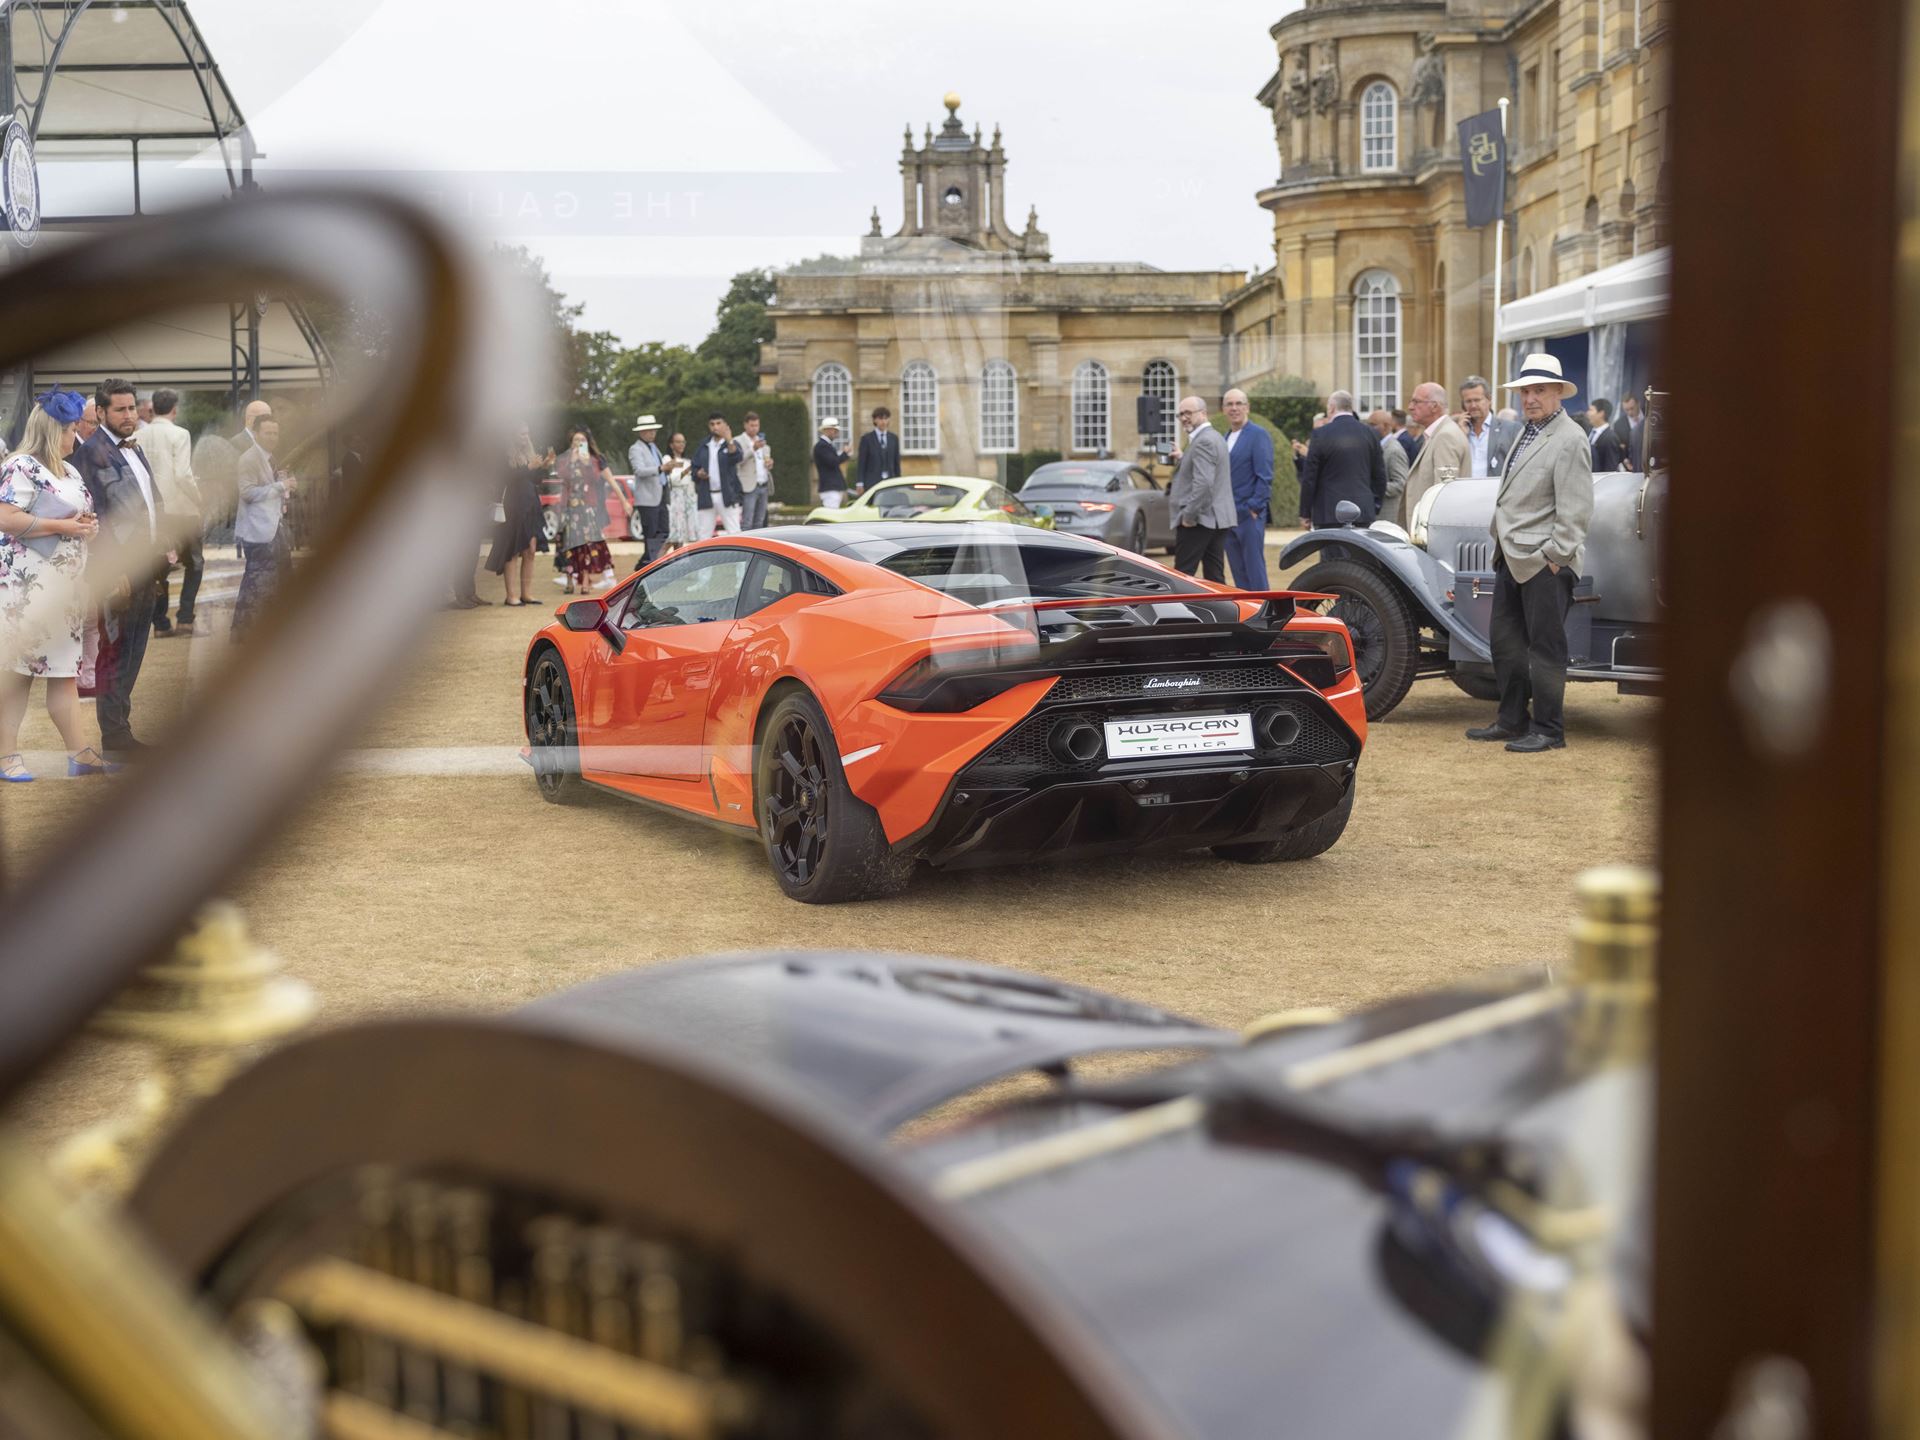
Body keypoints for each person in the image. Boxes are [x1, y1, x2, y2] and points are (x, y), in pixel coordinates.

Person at [1465, 353, 1595, 754]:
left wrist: (1554, 556)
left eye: (1539, 390)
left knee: (1545, 648)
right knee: (1505, 643)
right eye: (1525, 390)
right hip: (1511, 555)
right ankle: (1511, 720)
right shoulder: (1531, 431)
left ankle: (1550, 730)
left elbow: (1577, 508)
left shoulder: (1570, 438)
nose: (1531, 397)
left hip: (1543, 562)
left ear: (1559, 392)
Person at [0, 389, 110, 780]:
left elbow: (77, 518)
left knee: (63, 671)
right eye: (71, 429)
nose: (76, 436)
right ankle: (6, 754)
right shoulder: (20, 467)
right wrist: (64, 526)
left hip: (65, 591)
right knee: (17, 673)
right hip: (25, 591)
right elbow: (6, 517)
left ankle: (79, 752)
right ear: (54, 430)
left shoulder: (71, 471)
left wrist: (86, 530)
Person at [72, 378, 161, 762]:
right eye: (121, 410)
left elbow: (146, 500)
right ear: (102, 412)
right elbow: (92, 518)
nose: (129, 415)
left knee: (134, 650)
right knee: (115, 651)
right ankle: (114, 735)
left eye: (132, 408)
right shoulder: (90, 455)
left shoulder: (133, 448)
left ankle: (121, 728)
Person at [144, 389, 204, 638]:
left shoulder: (138, 434)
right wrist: (199, 499)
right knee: (195, 563)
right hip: (181, 510)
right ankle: (185, 619)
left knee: (159, 567)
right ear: (174, 409)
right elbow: (182, 474)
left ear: (152, 409)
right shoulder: (180, 434)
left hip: (153, 511)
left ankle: (160, 623)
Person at [230, 418, 293, 640]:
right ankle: (245, 633)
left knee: (276, 579)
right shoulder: (248, 458)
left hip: (274, 528)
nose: (273, 437)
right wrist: (279, 486)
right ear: (255, 434)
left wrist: (282, 486)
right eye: (268, 433)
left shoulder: (269, 458)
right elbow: (247, 493)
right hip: (258, 531)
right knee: (256, 582)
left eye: (276, 433)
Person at [1166, 396, 1234, 581]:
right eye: (1180, 414)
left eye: (1188, 412)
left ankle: (1179, 611)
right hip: (1215, 519)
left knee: (1181, 576)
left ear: (1203, 413)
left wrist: (1189, 515)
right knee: (1214, 577)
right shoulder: (1214, 437)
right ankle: (1220, 610)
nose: (1184, 418)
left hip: (1199, 520)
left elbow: (1203, 484)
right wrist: (1183, 457)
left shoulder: (1203, 441)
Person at [1297, 390, 1385, 530]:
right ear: (1351, 407)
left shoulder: (1321, 434)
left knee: (1333, 552)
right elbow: (1380, 476)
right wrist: (1375, 505)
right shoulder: (1371, 433)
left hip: (1329, 511)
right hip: (1363, 510)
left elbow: (1310, 477)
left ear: (1331, 408)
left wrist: (1305, 513)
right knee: (1360, 552)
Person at [1221, 389, 1272, 590]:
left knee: (1255, 571)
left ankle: (1266, 614)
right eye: (1230, 404)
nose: (1234, 408)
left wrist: (1254, 507)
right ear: (1224, 409)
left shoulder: (1258, 435)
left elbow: (1265, 475)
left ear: (1247, 407)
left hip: (1249, 515)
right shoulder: (1225, 437)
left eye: (1239, 403)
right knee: (1238, 572)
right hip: (1228, 516)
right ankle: (1248, 615)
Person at [487, 429, 545, 605]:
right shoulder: (505, 454)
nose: (526, 436)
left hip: (530, 506)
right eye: (521, 433)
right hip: (512, 507)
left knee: (531, 550)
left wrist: (542, 466)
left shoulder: (530, 454)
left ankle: (526, 593)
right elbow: (507, 478)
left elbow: (536, 480)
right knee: (512, 551)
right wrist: (529, 467)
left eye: (527, 433)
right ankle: (511, 595)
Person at [555, 428, 615, 593]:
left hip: (586, 508)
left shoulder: (592, 460)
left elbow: (595, 479)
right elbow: (562, 476)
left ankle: (586, 582)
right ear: (571, 443)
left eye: (582, 440)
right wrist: (572, 460)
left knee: (586, 545)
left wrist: (586, 463)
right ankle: (569, 581)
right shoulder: (564, 460)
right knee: (567, 546)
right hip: (569, 509)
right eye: (576, 440)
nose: (579, 443)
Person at [1400, 382, 1467, 527]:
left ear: (1434, 406)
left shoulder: (1445, 436)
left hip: (1432, 531)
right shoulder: (1438, 434)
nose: (1410, 407)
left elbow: (1444, 493)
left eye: (1416, 401)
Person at [693, 412, 743, 539]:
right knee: (704, 534)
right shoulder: (704, 445)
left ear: (725, 425)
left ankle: (738, 558)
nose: (715, 427)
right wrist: (699, 473)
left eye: (718, 423)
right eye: (712, 424)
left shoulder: (730, 443)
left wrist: (729, 440)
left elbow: (737, 457)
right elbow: (694, 467)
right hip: (707, 495)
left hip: (727, 495)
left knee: (734, 533)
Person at [1458, 376, 1520, 479]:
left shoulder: (1511, 429)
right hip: (1465, 491)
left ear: (1489, 399)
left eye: (1477, 400)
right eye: (1468, 401)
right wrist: (1460, 436)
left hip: (1494, 492)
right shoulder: (1459, 431)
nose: (1473, 405)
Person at [627, 414, 668, 563]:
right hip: (647, 499)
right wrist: (660, 468)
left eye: (653, 430)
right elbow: (639, 470)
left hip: (660, 494)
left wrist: (664, 470)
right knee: (651, 534)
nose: (653, 433)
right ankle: (649, 563)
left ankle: (644, 564)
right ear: (641, 432)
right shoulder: (635, 449)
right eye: (649, 430)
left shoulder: (653, 447)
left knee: (664, 530)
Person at [737, 411, 772, 531]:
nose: (754, 428)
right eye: (752, 425)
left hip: (763, 484)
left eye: (757, 425)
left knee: (760, 522)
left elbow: (764, 461)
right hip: (749, 486)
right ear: (745, 425)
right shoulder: (739, 440)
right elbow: (738, 461)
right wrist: (753, 449)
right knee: (747, 521)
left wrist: (769, 463)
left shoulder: (763, 441)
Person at [662, 433, 698, 550]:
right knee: (673, 536)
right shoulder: (668, 459)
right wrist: (687, 470)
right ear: (671, 445)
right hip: (675, 499)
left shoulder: (687, 460)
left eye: (683, 442)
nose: (681, 444)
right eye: (678, 442)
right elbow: (673, 479)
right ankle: (654, 561)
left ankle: (677, 563)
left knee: (681, 537)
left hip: (688, 499)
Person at [857, 406, 899, 498]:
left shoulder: (893, 438)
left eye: (886, 418)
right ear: (875, 420)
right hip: (872, 482)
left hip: (890, 482)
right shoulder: (866, 439)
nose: (883, 422)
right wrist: (860, 483)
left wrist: (898, 481)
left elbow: (896, 463)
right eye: (880, 419)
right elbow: (861, 463)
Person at [812, 418, 848, 508]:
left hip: (833, 487)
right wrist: (844, 454)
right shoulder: (821, 446)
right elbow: (832, 462)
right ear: (827, 430)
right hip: (830, 487)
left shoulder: (827, 445)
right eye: (834, 430)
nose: (836, 432)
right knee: (831, 516)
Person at [1586, 398, 1626, 471]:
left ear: (1601, 413)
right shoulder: (1588, 432)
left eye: (1591, 410)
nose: (1588, 413)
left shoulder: (1610, 438)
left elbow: (1610, 468)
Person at [1613, 391, 1647, 470]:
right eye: (1626, 410)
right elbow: (1619, 449)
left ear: (1638, 403)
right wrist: (1625, 461)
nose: (1630, 412)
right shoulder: (1618, 425)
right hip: (1632, 467)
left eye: (1632, 408)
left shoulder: (1650, 416)